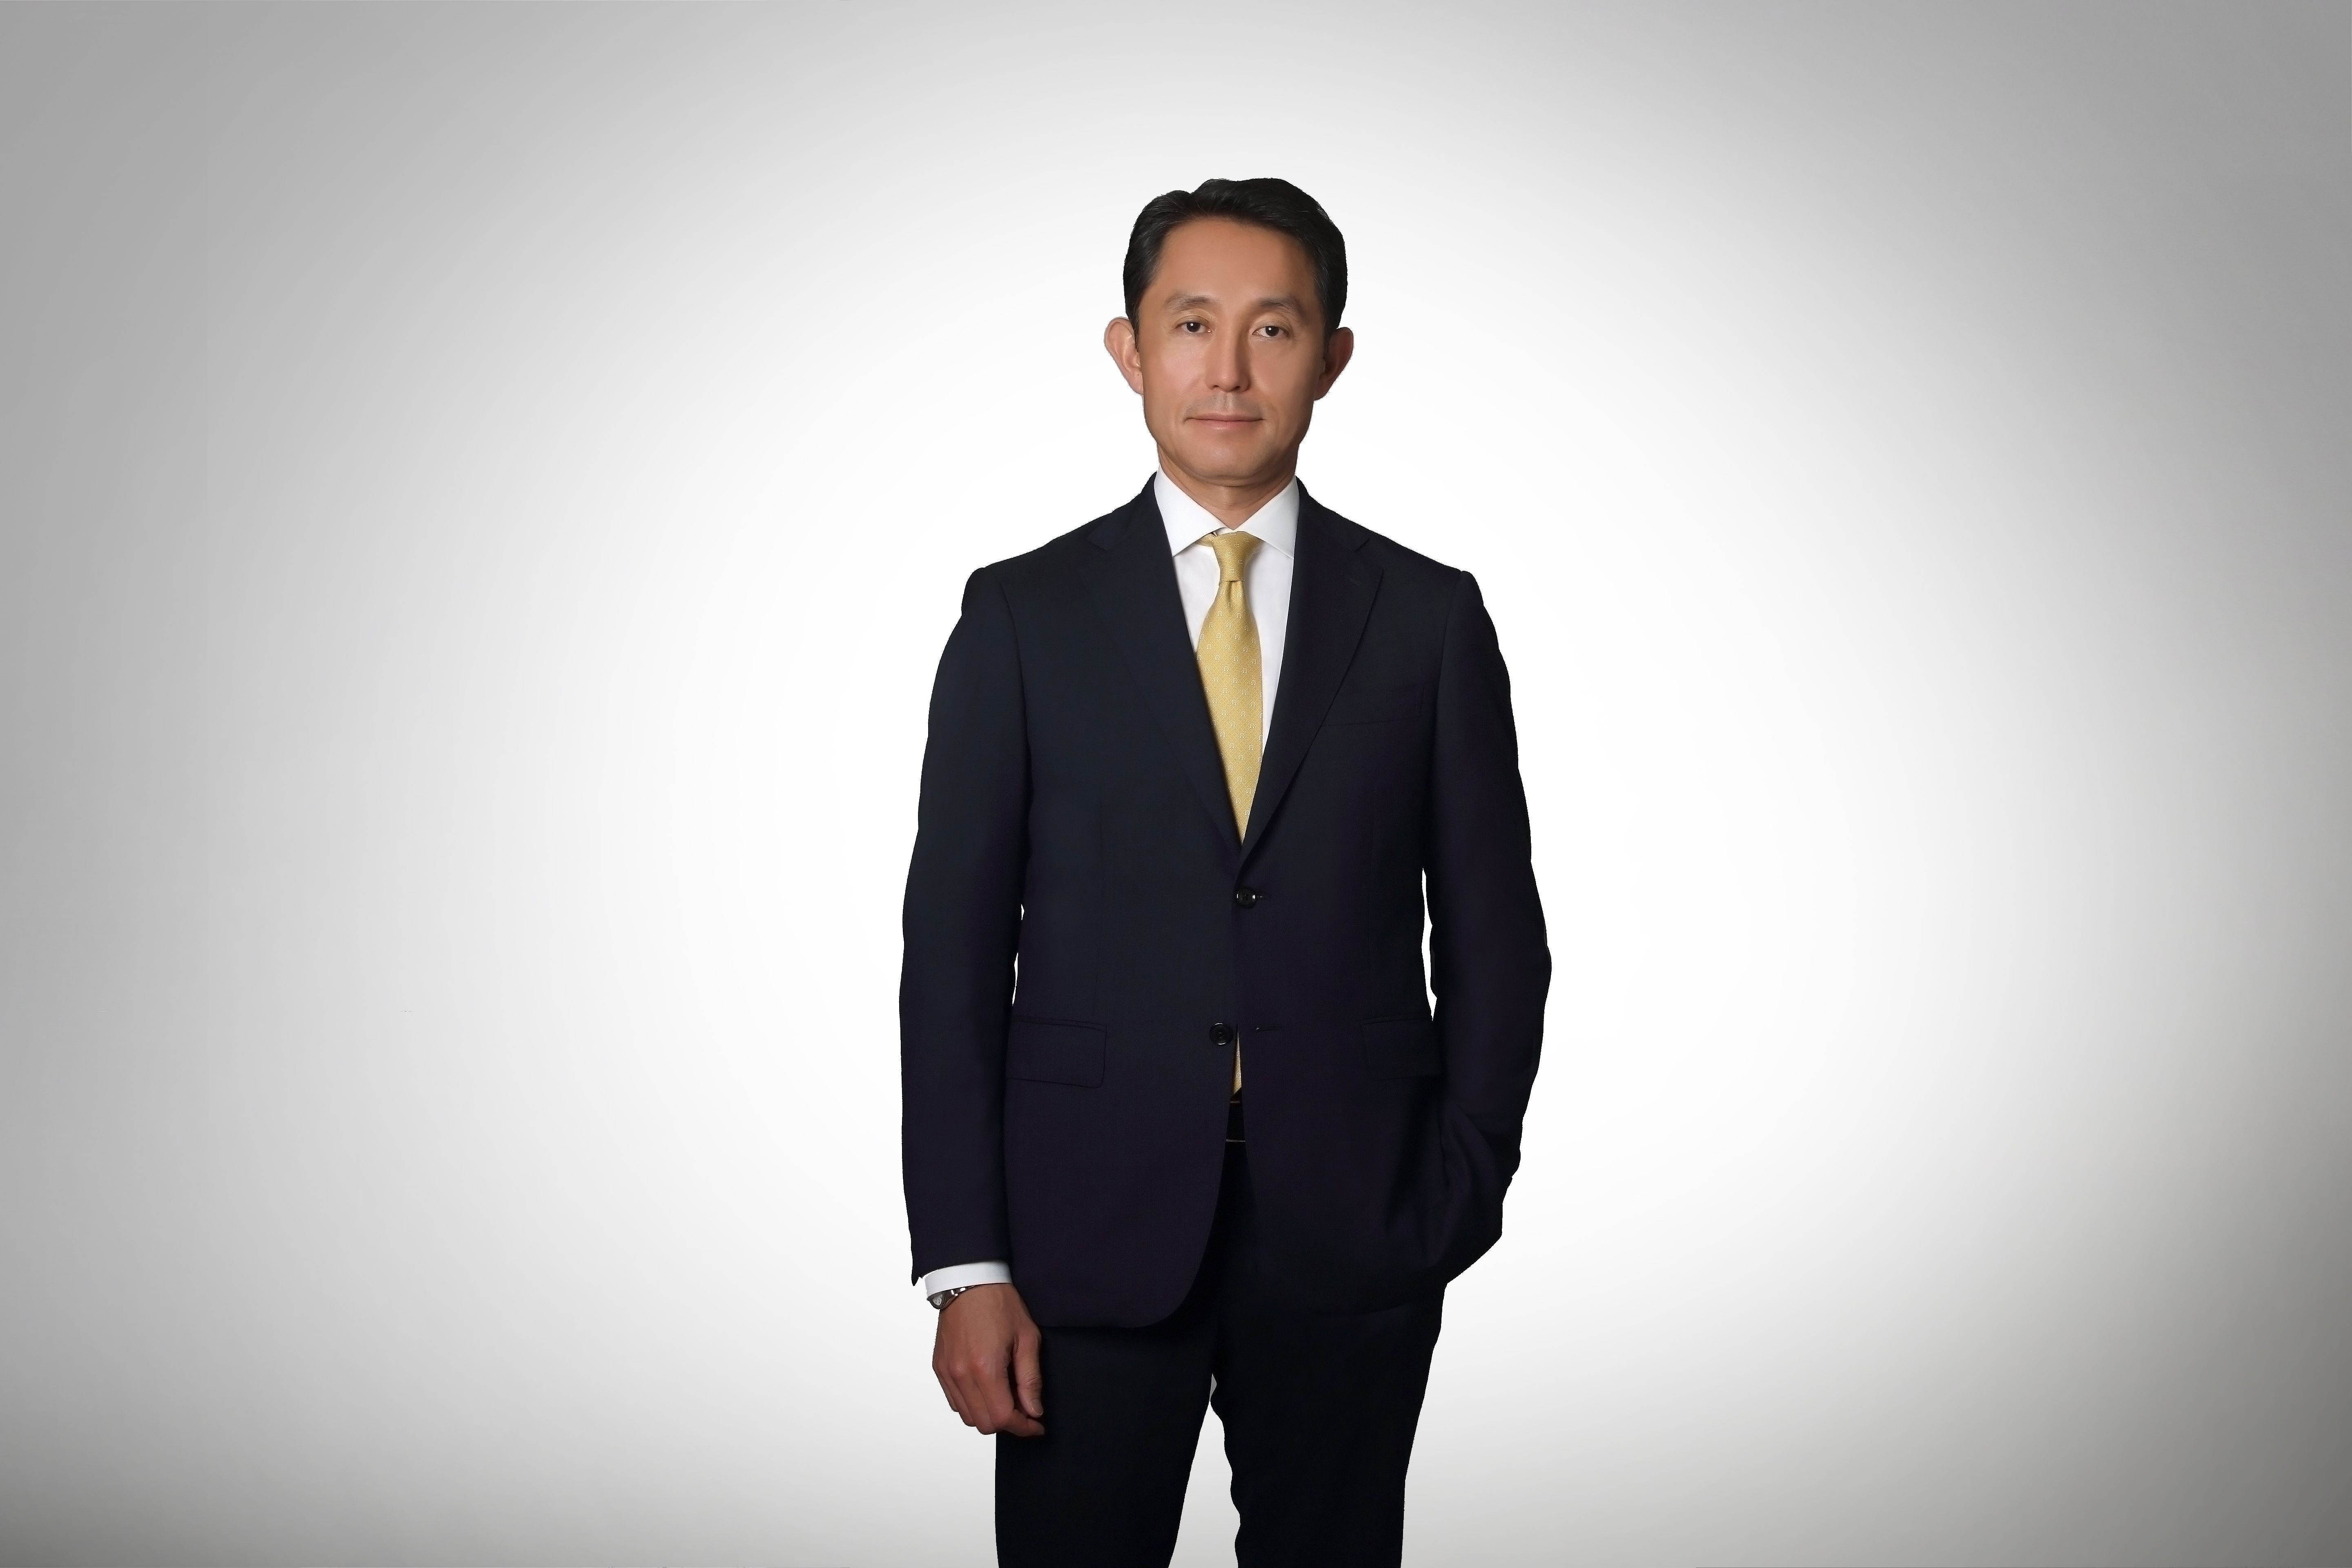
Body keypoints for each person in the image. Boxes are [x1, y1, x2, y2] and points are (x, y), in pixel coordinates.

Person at [900, 176, 1550, 1567]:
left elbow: (1497, 936)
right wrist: (967, 1262)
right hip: (1079, 1231)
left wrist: (1457, 1189)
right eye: (1192, 324)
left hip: (1357, 1225)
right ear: (1130, 351)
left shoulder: (1428, 618)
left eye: (1275, 328)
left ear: (1333, 357)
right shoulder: (1022, 616)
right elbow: (950, 956)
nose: (1230, 369)